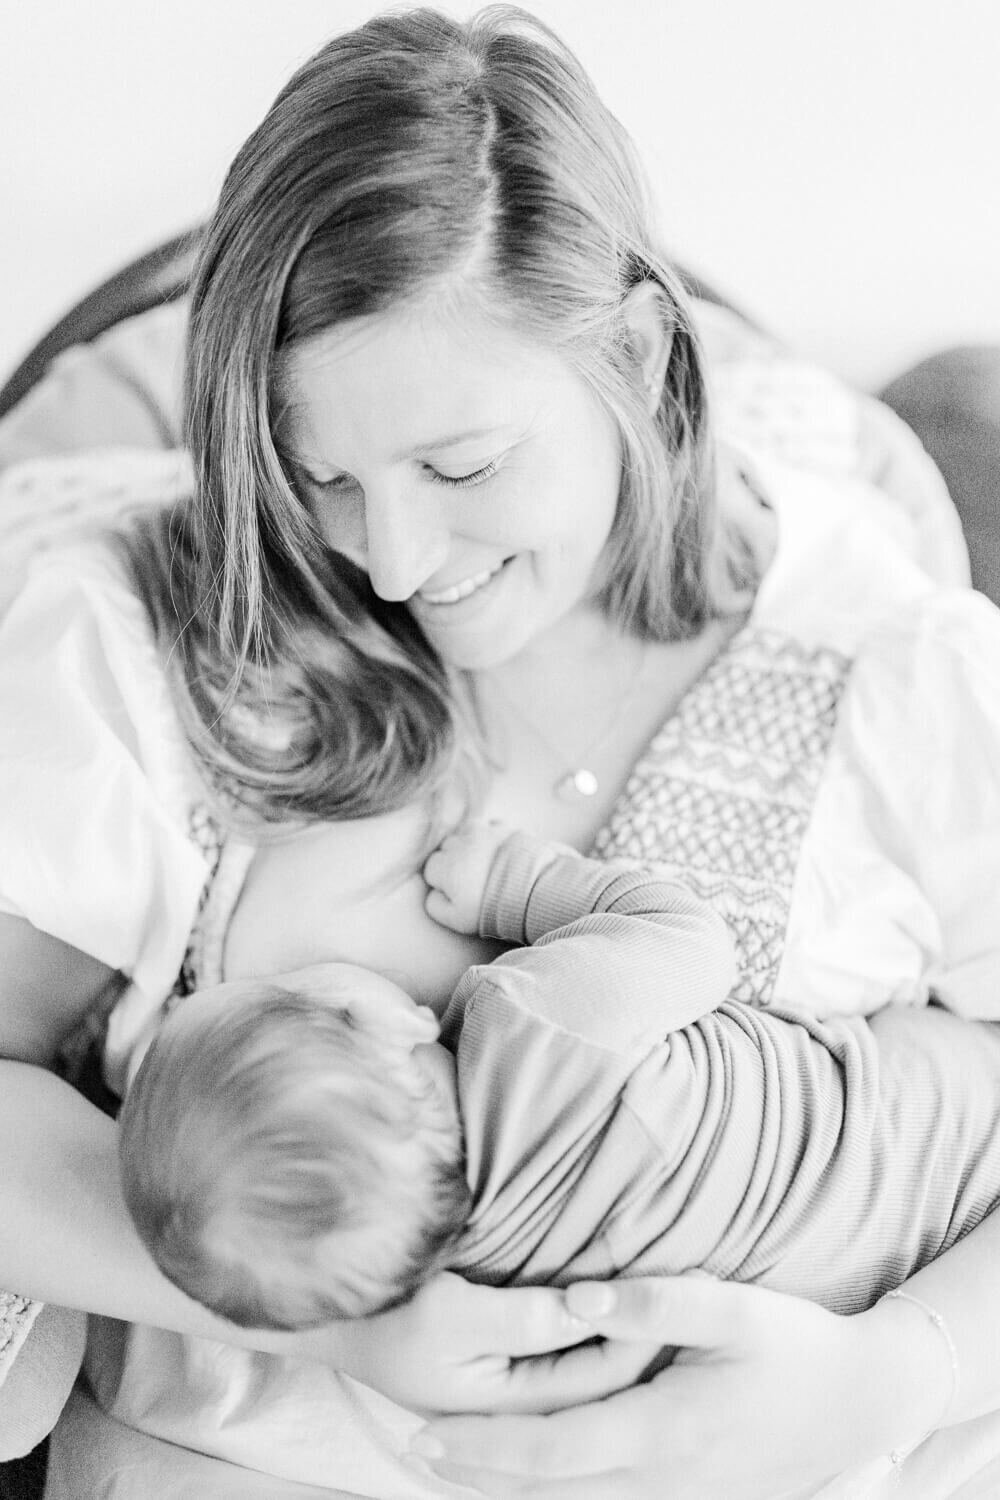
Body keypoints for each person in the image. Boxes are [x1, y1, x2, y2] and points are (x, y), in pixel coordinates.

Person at [0, 6, 999, 1498]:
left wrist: (886, 1376)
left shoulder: (900, 672)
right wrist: (333, 1327)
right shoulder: (143, 635)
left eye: (461, 465)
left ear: (642, 359)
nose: (390, 557)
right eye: (315, 472)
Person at [120, 820, 1000, 1349]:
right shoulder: (533, 1019)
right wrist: (516, 884)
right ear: (379, 1024)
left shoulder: (489, 1278)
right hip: (932, 1126)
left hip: (876, 1275)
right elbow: (690, 940)